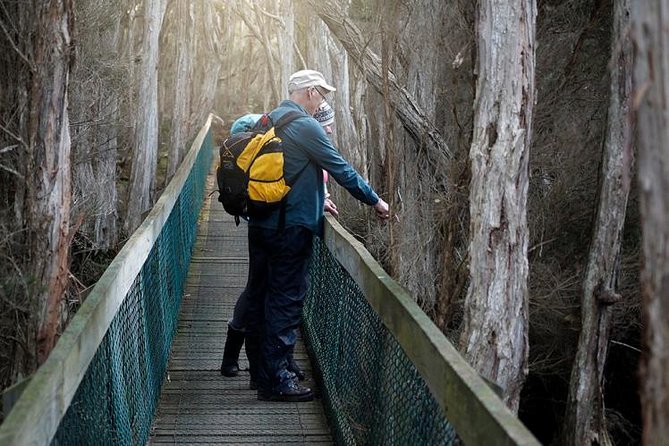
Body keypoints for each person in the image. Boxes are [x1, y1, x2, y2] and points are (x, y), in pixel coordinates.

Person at [244, 69, 390, 402]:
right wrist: (375, 201)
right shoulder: (305, 126)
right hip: (291, 229)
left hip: (261, 225)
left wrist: (318, 197)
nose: (321, 101)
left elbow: (290, 170)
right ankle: (276, 381)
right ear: (310, 92)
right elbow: (341, 169)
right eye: (321, 95)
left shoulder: (268, 120)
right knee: (286, 300)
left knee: (261, 296)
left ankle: (262, 370)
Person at [220, 100, 340, 381]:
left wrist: (320, 199)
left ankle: (255, 367)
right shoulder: (298, 135)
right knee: (262, 293)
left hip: (266, 219)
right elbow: (285, 179)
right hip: (272, 221)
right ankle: (243, 360)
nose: (330, 130)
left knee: (261, 291)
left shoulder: (293, 133)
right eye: (326, 124)